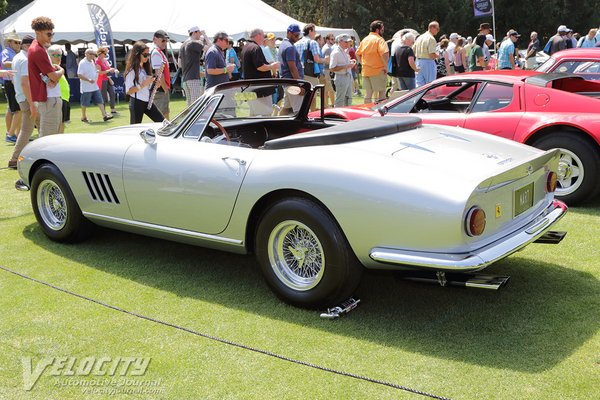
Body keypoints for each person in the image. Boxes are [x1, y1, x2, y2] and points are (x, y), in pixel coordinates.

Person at [28, 16, 64, 137]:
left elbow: (45, 75)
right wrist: (62, 71)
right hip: (49, 99)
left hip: (50, 97)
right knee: (47, 139)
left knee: (52, 137)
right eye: (49, 34)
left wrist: (51, 76)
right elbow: (54, 77)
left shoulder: (37, 47)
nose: (51, 37)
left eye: (52, 34)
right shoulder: (37, 50)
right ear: (38, 33)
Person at [7, 35, 35, 169]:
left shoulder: (17, 58)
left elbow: (15, 80)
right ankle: (14, 159)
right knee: (27, 130)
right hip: (27, 98)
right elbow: (25, 83)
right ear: (27, 46)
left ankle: (14, 159)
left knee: (28, 129)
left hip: (22, 97)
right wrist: (31, 103)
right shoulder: (25, 59)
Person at [240, 28, 280, 116]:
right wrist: (273, 66)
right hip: (260, 90)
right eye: (263, 35)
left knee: (253, 116)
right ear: (258, 35)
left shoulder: (246, 47)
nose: (264, 38)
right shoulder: (255, 48)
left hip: (251, 88)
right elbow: (260, 67)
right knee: (264, 115)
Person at [124, 41, 164, 124]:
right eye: (145, 55)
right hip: (137, 102)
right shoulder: (131, 70)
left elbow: (147, 86)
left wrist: (155, 84)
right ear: (137, 54)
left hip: (147, 101)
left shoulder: (145, 68)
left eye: (148, 55)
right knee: (134, 129)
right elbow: (128, 91)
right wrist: (143, 84)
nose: (147, 57)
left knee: (163, 123)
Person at [356, 20, 389, 103]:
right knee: (382, 93)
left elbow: (357, 53)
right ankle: (381, 113)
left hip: (366, 71)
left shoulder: (365, 39)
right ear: (378, 30)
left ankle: (367, 112)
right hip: (378, 70)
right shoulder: (379, 40)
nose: (383, 31)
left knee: (368, 94)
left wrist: (362, 63)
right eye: (382, 29)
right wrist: (386, 67)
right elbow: (384, 54)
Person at [78, 48, 112, 122]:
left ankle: (104, 116)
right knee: (84, 103)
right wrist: (88, 80)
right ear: (86, 54)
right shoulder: (82, 63)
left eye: (93, 54)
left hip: (94, 86)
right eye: (90, 54)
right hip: (86, 87)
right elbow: (79, 75)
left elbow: (94, 71)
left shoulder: (93, 61)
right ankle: (83, 116)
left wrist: (96, 72)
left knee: (100, 101)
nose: (92, 55)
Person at [278, 24, 303, 114]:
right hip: (292, 82)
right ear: (289, 33)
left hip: (287, 82)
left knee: (285, 108)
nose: (297, 37)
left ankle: (275, 126)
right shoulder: (290, 47)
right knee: (298, 111)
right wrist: (300, 85)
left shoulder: (283, 45)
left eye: (298, 35)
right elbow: (292, 68)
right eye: (296, 35)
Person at [2, 32, 22, 143]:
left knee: (12, 109)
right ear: (9, 43)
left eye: (19, 42)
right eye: (16, 42)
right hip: (10, 83)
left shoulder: (15, 53)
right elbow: (4, 63)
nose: (18, 44)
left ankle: (16, 134)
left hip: (14, 82)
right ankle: (11, 134)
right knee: (17, 110)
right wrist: (17, 62)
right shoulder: (6, 52)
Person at [179, 26, 206, 106]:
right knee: (196, 105)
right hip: (193, 78)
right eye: (199, 33)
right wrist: (205, 36)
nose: (200, 35)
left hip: (185, 78)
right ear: (195, 32)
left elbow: (179, 64)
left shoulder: (182, 45)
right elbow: (210, 48)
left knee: (190, 105)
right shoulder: (193, 43)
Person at [329, 34, 355, 107]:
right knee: (340, 100)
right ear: (340, 41)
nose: (348, 44)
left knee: (348, 99)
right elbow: (332, 68)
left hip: (347, 77)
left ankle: (347, 114)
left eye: (349, 42)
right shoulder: (336, 52)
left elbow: (344, 62)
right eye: (346, 42)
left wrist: (350, 63)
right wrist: (346, 66)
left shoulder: (343, 51)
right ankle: (337, 116)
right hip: (340, 77)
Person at [150, 30, 171, 119]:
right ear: (155, 39)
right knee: (162, 117)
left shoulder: (159, 51)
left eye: (166, 40)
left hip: (161, 89)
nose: (165, 43)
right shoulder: (156, 53)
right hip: (160, 90)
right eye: (163, 40)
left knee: (165, 114)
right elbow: (159, 73)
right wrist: (165, 89)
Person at [48, 45, 69, 133]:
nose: (58, 57)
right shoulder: (52, 68)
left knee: (62, 123)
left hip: (64, 99)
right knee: (58, 124)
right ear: (49, 56)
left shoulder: (58, 68)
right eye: (55, 55)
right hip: (57, 99)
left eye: (60, 55)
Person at [414, 21, 440, 87]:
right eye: (437, 29)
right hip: (428, 62)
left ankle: (419, 97)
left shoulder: (420, 37)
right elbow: (431, 54)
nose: (438, 31)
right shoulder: (431, 38)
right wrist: (438, 56)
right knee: (430, 85)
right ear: (432, 28)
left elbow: (413, 50)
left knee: (419, 85)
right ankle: (430, 97)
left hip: (418, 62)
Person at [96, 46, 118, 114]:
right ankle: (104, 112)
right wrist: (109, 70)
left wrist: (114, 70)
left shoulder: (105, 60)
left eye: (106, 53)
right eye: (105, 53)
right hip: (102, 80)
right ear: (100, 53)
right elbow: (100, 72)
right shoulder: (97, 61)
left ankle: (113, 109)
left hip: (108, 79)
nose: (106, 55)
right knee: (103, 96)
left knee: (112, 93)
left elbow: (108, 69)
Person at [321, 33, 336, 107]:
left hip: (325, 70)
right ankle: (333, 104)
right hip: (327, 70)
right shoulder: (328, 48)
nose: (334, 41)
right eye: (332, 39)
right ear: (327, 40)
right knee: (330, 89)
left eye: (334, 39)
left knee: (327, 90)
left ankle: (326, 105)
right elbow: (327, 60)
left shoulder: (326, 47)